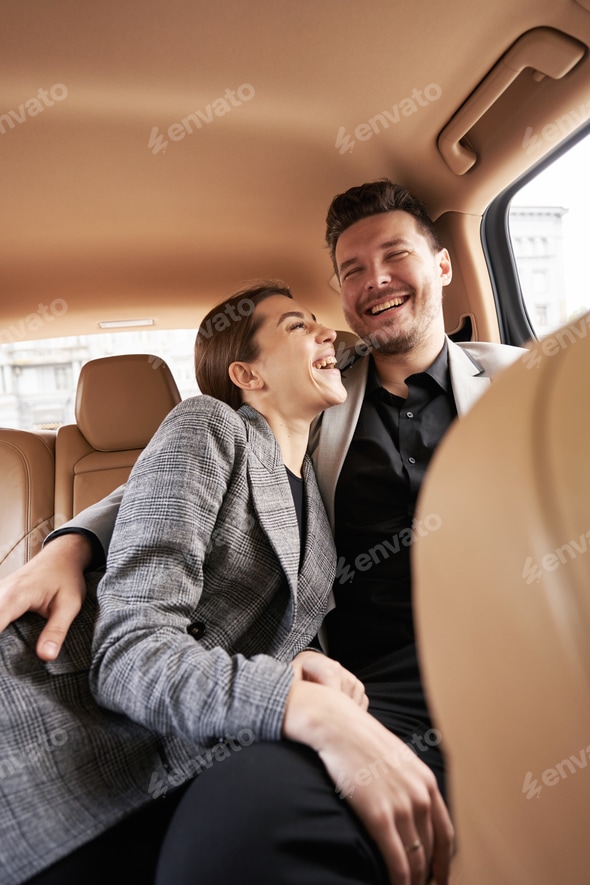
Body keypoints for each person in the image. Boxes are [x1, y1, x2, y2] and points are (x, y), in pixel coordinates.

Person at [0, 179, 519, 883]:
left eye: (395, 255)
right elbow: (161, 489)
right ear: (248, 372)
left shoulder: (529, 380)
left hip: (509, 652)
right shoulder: (248, 418)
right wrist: (71, 541)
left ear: (443, 264)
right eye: (348, 275)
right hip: (85, 745)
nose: (362, 295)